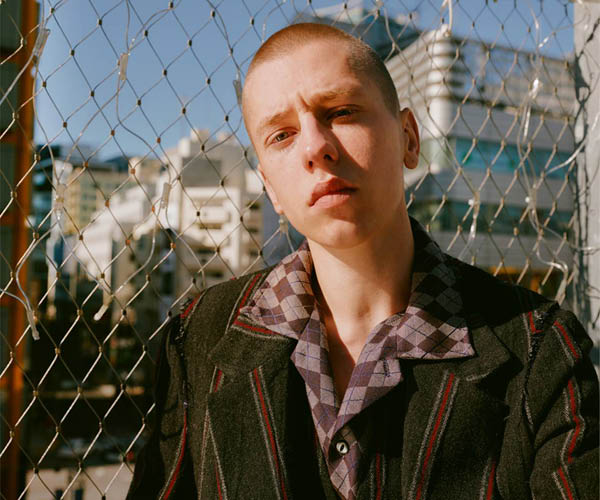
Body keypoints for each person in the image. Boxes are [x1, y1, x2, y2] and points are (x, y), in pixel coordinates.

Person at [127, 23, 599, 500]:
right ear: (271, 188)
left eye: (341, 112)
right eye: (282, 135)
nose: (315, 147)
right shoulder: (197, 339)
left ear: (409, 138)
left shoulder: (538, 347)